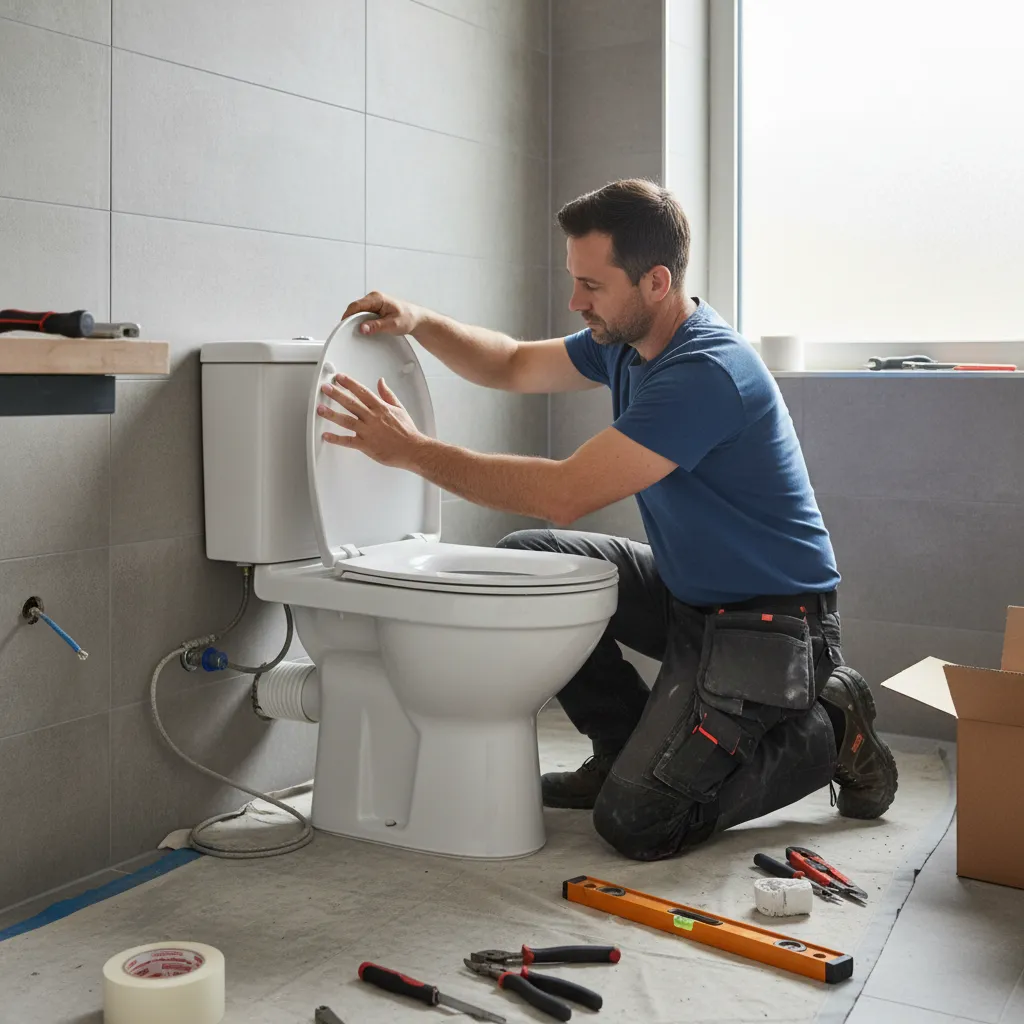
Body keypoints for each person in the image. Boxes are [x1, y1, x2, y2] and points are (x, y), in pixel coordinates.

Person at [315, 178, 898, 861]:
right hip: (690, 596)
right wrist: (419, 319)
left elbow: (566, 493)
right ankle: (619, 746)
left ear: (655, 281)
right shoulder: (625, 342)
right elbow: (507, 362)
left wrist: (411, 452)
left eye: (592, 285)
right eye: (575, 281)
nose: (575, 301)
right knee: (529, 561)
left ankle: (833, 723)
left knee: (640, 821)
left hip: (770, 623)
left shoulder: (705, 372)